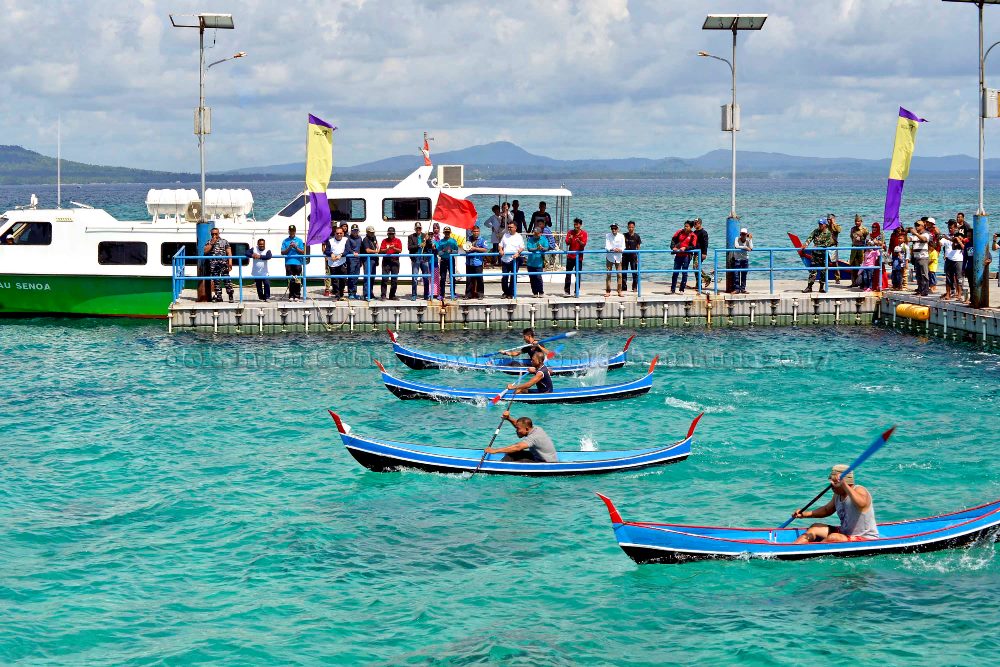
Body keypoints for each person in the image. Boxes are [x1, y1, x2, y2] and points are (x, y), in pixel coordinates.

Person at [791, 465, 878, 543]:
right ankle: (793, 547)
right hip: (844, 533)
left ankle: (809, 550)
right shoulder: (837, 494)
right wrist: (804, 514)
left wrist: (844, 484)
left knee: (833, 537)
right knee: (815, 527)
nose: (831, 486)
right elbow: (826, 510)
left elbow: (862, 503)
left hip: (864, 538)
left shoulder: (860, 490)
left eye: (834, 483)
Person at [483, 410, 557, 463]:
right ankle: (502, 463)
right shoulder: (536, 428)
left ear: (527, 428)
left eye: (518, 429)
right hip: (540, 456)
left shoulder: (534, 437)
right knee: (512, 453)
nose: (516, 430)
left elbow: (518, 447)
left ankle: (500, 466)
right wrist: (508, 418)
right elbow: (519, 425)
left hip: (545, 462)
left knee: (517, 457)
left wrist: (495, 451)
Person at [802, 218, 834, 293]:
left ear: (825, 225)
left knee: (823, 271)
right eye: (819, 224)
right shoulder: (815, 231)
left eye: (821, 224)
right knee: (813, 271)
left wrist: (818, 246)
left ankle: (821, 287)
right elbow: (810, 238)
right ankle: (809, 287)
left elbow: (828, 243)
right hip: (815, 254)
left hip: (823, 255)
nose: (820, 225)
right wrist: (805, 245)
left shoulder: (828, 233)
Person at [203, 227, 234, 303]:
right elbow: (205, 251)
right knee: (216, 281)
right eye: (212, 234)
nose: (214, 235)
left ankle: (230, 296)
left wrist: (230, 263)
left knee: (227, 280)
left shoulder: (224, 241)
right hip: (213, 265)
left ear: (219, 233)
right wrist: (212, 243)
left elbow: (229, 252)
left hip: (223, 264)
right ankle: (219, 297)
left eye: (216, 234)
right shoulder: (209, 242)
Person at [499, 221, 524, 298]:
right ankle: (505, 292)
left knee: (513, 277)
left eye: (511, 227)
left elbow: (522, 247)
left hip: (514, 259)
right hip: (505, 259)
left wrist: (518, 253)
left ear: (515, 228)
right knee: (504, 277)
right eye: (508, 227)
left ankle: (511, 293)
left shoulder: (519, 236)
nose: (509, 228)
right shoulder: (505, 235)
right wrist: (500, 250)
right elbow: (500, 245)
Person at [670, 221, 697, 294]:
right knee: (675, 272)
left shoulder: (693, 235)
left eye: (687, 226)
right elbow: (673, 240)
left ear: (691, 227)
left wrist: (686, 248)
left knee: (684, 272)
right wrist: (673, 247)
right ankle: (672, 289)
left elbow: (693, 246)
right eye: (685, 226)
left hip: (686, 256)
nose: (685, 227)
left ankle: (682, 289)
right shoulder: (679, 232)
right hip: (678, 255)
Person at [564, 217, 588, 296]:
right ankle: (567, 291)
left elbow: (583, 244)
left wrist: (579, 241)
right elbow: (567, 243)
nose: (575, 226)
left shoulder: (584, 233)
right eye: (574, 224)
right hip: (570, 256)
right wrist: (570, 239)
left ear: (580, 225)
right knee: (568, 274)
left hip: (579, 257)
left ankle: (576, 291)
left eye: (577, 224)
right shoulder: (570, 232)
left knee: (578, 275)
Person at [941, 221, 965, 301]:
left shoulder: (960, 235)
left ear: (956, 228)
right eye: (949, 228)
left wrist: (947, 238)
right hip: (949, 259)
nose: (950, 229)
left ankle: (959, 294)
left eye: (951, 228)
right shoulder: (946, 236)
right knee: (948, 278)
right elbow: (940, 244)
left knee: (959, 278)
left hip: (958, 259)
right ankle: (948, 294)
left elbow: (955, 240)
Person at [435, 226, 459, 301]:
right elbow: (439, 253)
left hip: (451, 260)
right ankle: (442, 294)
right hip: (443, 260)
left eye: (448, 232)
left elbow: (456, 251)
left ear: (450, 232)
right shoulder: (440, 242)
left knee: (452, 277)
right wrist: (444, 250)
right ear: (444, 233)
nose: (447, 234)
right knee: (442, 278)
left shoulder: (453, 241)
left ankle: (453, 293)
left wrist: (451, 251)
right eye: (446, 232)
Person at [280, 225, 304, 302]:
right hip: (288, 263)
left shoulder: (299, 240)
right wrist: (289, 247)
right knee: (290, 280)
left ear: (295, 231)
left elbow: (303, 252)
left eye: (293, 230)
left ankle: (297, 295)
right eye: (290, 230)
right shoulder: (285, 241)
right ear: (289, 231)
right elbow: (282, 252)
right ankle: (291, 295)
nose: (292, 232)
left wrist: (296, 247)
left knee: (297, 280)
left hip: (297, 262)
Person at [907, 219, 930, 296]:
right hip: (916, 257)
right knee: (918, 275)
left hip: (923, 257)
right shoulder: (914, 235)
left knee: (924, 274)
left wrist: (916, 234)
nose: (916, 227)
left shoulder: (926, 234)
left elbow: (924, 239)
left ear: (922, 226)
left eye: (918, 225)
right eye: (915, 225)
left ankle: (925, 290)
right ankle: (920, 289)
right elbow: (907, 239)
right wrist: (904, 232)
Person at [524, 225, 549, 296]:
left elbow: (547, 247)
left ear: (540, 233)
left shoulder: (543, 239)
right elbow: (529, 248)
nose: (535, 235)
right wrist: (536, 249)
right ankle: (534, 292)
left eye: (536, 233)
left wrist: (542, 248)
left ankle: (541, 291)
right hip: (530, 263)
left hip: (539, 263)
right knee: (532, 278)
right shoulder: (530, 239)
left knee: (538, 277)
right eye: (534, 233)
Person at [464, 225, 488, 299]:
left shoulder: (482, 240)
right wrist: (467, 249)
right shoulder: (468, 239)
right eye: (474, 231)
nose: (476, 233)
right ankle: (468, 294)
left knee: (479, 278)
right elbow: (465, 248)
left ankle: (480, 294)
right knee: (469, 279)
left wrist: (475, 248)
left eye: (477, 231)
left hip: (478, 262)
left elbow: (485, 249)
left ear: (479, 232)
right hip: (469, 262)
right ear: (472, 232)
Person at [325, 227, 348, 299]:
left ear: (343, 233)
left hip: (342, 263)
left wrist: (341, 255)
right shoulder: (330, 241)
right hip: (333, 264)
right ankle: (337, 295)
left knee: (343, 280)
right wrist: (331, 254)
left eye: (340, 233)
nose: (339, 234)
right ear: (335, 234)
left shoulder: (346, 240)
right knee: (335, 281)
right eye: (337, 233)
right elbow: (326, 251)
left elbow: (348, 250)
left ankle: (341, 294)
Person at [379, 227, 402, 300]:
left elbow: (400, 250)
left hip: (395, 261)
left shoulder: (398, 240)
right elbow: (381, 250)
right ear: (387, 234)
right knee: (384, 278)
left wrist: (393, 248)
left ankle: (392, 295)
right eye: (389, 233)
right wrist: (387, 249)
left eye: (392, 233)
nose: (391, 235)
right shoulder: (384, 241)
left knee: (394, 279)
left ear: (394, 234)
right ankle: (383, 295)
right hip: (386, 260)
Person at [605, 222, 625, 297]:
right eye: (612, 228)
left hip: (618, 257)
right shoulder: (607, 235)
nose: (613, 230)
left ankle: (619, 291)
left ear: (618, 229)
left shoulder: (621, 236)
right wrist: (613, 249)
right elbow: (607, 246)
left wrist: (620, 250)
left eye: (615, 228)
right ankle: (608, 291)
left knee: (619, 275)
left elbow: (623, 246)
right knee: (608, 274)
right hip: (610, 257)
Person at [848, 215, 869, 287]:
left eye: (858, 221)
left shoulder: (864, 229)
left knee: (862, 265)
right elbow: (851, 237)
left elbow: (867, 239)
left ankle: (862, 283)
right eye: (856, 221)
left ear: (861, 221)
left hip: (861, 248)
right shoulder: (852, 229)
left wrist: (861, 240)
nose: (857, 223)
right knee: (853, 265)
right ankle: (853, 282)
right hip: (854, 248)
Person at [408, 222, 427, 301]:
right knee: (415, 277)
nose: (418, 229)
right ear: (415, 229)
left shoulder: (425, 236)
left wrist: (428, 241)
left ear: (421, 229)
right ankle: (414, 294)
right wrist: (419, 245)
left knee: (426, 276)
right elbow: (409, 247)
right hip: (415, 258)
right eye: (417, 228)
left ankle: (426, 294)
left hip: (424, 258)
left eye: (419, 228)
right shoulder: (411, 236)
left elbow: (429, 246)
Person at [345, 224, 363, 299]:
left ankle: (354, 293)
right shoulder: (348, 239)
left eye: (356, 230)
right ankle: (350, 293)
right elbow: (348, 249)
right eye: (353, 230)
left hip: (358, 260)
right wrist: (353, 253)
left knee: (356, 277)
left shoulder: (360, 238)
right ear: (351, 231)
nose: (355, 232)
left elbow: (361, 249)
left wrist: (361, 259)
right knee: (351, 276)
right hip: (351, 260)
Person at [622, 220, 641, 292]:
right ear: (627, 227)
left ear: (634, 227)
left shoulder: (637, 236)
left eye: (632, 227)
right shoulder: (624, 236)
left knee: (634, 272)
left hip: (633, 256)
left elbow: (638, 247)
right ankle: (624, 287)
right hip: (625, 256)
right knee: (624, 272)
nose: (631, 228)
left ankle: (635, 287)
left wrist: (638, 257)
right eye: (629, 227)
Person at [361, 226, 379, 300]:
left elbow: (377, 245)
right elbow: (367, 250)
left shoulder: (374, 237)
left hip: (374, 259)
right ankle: (366, 294)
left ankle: (371, 293)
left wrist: (378, 248)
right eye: (371, 232)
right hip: (367, 260)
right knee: (367, 277)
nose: (372, 233)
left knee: (372, 277)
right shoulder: (365, 239)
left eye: (373, 232)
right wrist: (376, 251)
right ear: (367, 232)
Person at [733, 228, 753, 294]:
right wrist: (745, 248)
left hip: (745, 259)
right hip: (737, 259)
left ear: (746, 234)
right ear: (740, 234)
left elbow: (751, 247)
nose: (743, 235)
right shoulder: (737, 239)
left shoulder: (748, 241)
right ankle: (737, 289)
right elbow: (736, 246)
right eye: (742, 234)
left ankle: (743, 289)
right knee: (736, 274)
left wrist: (750, 239)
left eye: (744, 234)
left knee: (744, 274)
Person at [827, 213, 842, 284]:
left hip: (833, 246)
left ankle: (837, 278)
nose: (828, 221)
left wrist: (833, 223)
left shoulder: (836, 226)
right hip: (826, 247)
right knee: (824, 262)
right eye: (828, 219)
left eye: (830, 219)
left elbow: (839, 230)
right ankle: (824, 277)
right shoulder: (826, 227)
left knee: (835, 263)